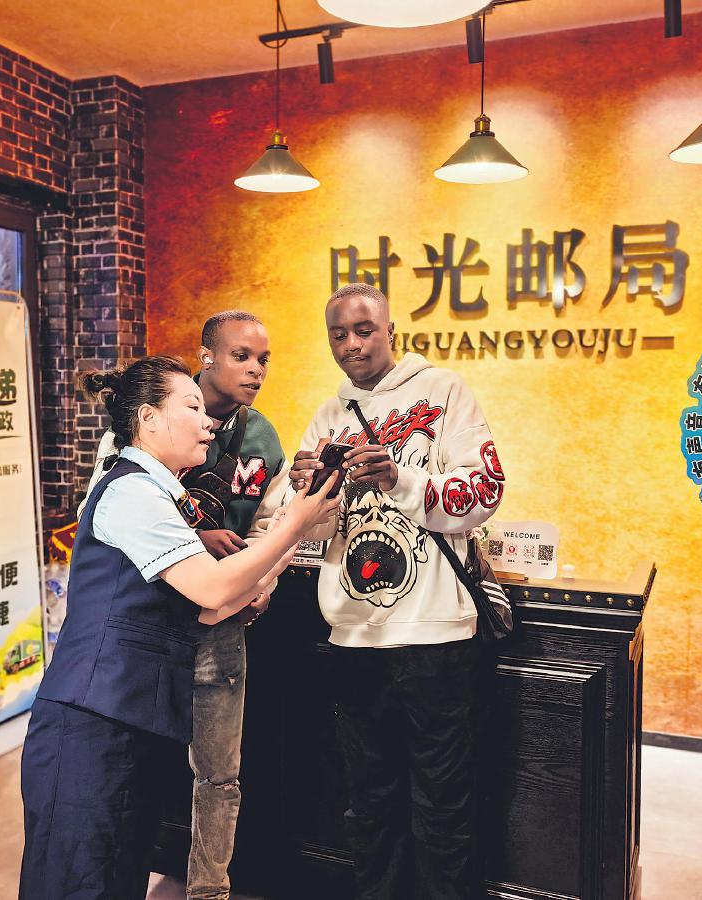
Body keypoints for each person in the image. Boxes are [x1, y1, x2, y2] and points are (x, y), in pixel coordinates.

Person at [19, 355, 339, 900]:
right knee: (78, 880)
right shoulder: (131, 491)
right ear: (147, 418)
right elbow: (212, 590)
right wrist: (291, 527)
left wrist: (296, 534)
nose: (207, 420)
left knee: (117, 876)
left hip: (132, 723)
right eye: (190, 406)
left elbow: (215, 607)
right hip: (92, 723)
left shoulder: (164, 495)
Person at [254, 282, 504, 899]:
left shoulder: (444, 391)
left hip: (436, 636)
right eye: (338, 334)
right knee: (368, 803)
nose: (352, 344)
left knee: (444, 804)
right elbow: (305, 528)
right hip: (353, 637)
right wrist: (306, 491)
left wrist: (400, 478)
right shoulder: (329, 414)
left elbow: (486, 492)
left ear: (391, 330)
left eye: (364, 330)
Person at [80, 311, 286, 900]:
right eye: (241, 356)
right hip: (149, 623)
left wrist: (261, 585)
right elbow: (106, 512)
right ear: (206, 357)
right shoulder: (139, 425)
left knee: (220, 774)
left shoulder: (263, 438)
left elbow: (270, 525)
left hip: (221, 628)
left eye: (263, 359)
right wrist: (197, 540)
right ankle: (136, 872)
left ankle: (208, 888)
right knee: (135, 763)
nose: (255, 370)